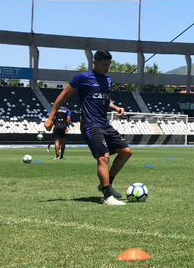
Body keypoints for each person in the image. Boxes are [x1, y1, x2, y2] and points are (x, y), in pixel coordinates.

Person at [44, 50, 132, 206]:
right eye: (104, 65)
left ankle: (107, 184)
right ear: (94, 63)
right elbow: (63, 95)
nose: (107, 68)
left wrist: (116, 107)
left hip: (104, 124)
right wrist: (50, 118)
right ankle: (107, 197)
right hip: (90, 125)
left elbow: (104, 99)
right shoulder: (83, 78)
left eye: (109, 65)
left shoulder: (108, 80)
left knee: (126, 152)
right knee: (103, 157)